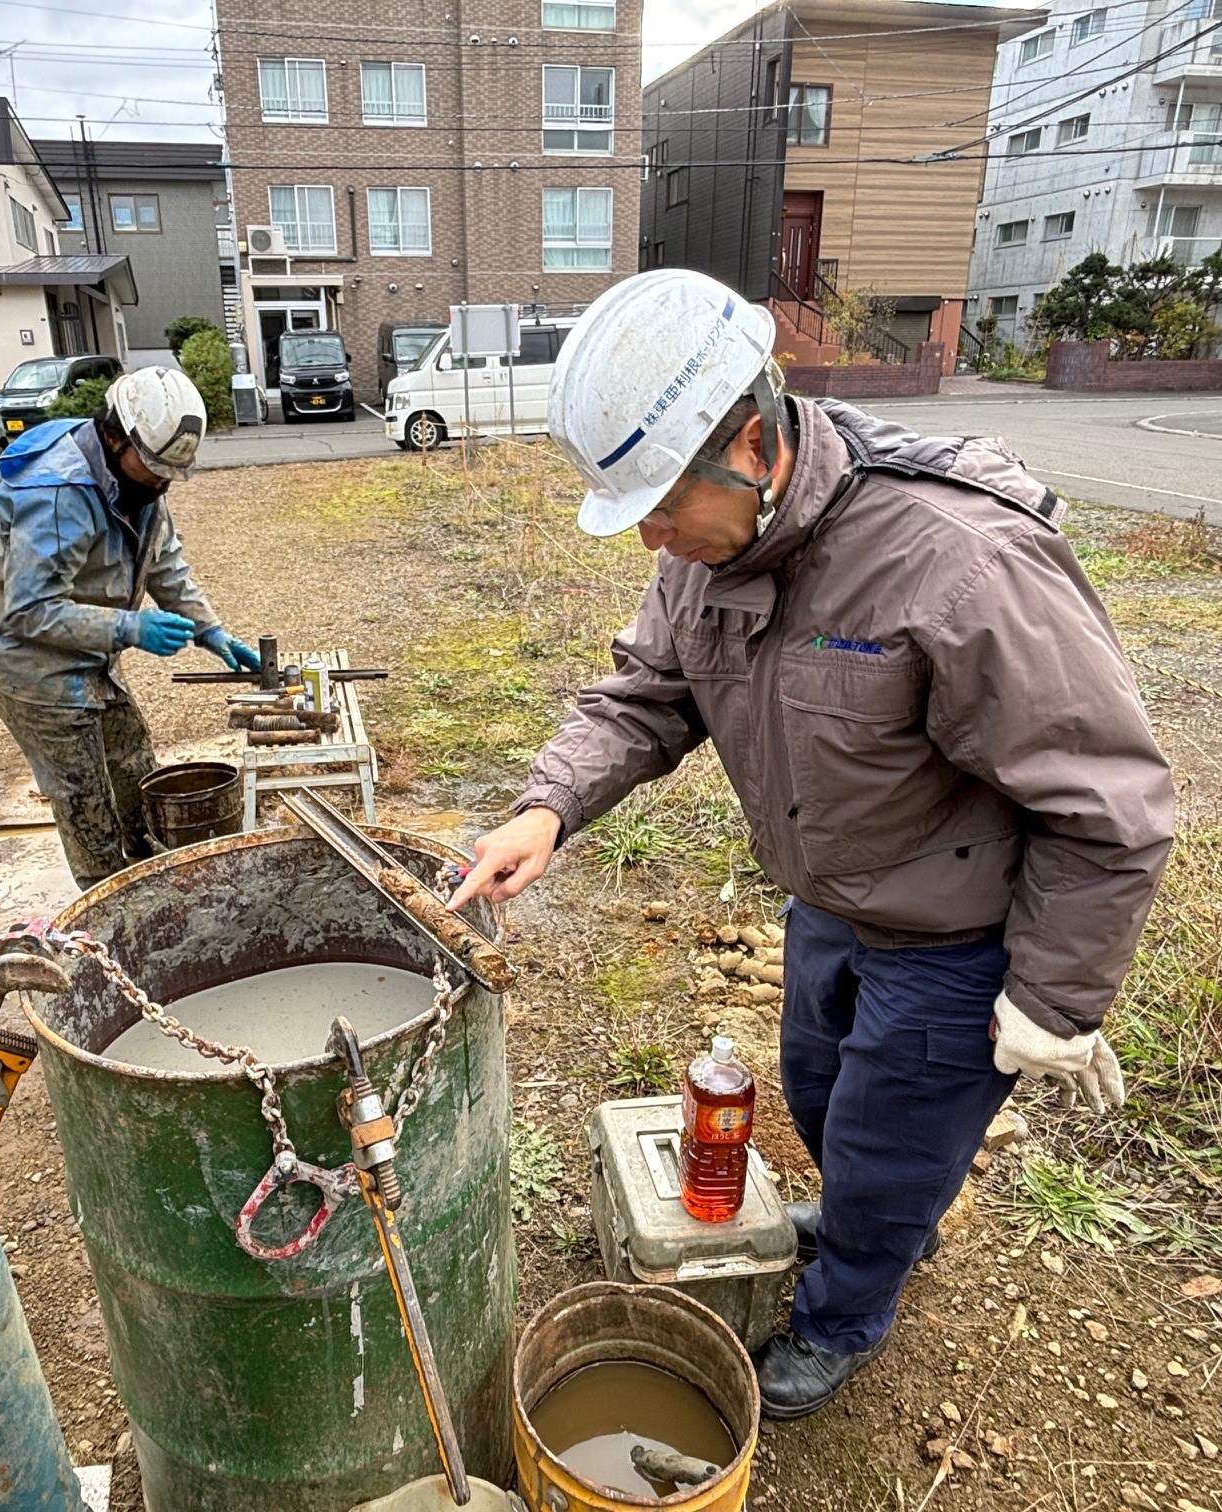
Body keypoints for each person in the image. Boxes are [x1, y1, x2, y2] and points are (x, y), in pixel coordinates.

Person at [447, 271, 1175, 1419]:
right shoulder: (705, 558)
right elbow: (645, 694)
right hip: (829, 903)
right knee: (823, 1095)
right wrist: (546, 807)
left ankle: (846, 1312)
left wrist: (1055, 1002)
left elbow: (1108, 807)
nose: (651, 535)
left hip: (954, 936)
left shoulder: (956, 561)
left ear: (753, 443)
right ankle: (867, 1231)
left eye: (663, 502)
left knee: (892, 1144)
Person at [0, 366, 261, 889]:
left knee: (134, 767)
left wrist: (210, 631)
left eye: (170, 472)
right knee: (83, 798)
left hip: (90, 649)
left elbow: (163, 561)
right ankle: (108, 903)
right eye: (152, 468)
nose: (161, 482)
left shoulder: (138, 473)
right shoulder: (57, 493)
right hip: (29, 661)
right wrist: (130, 628)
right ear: (113, 435)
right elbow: (28, 610)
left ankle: (152, 877)